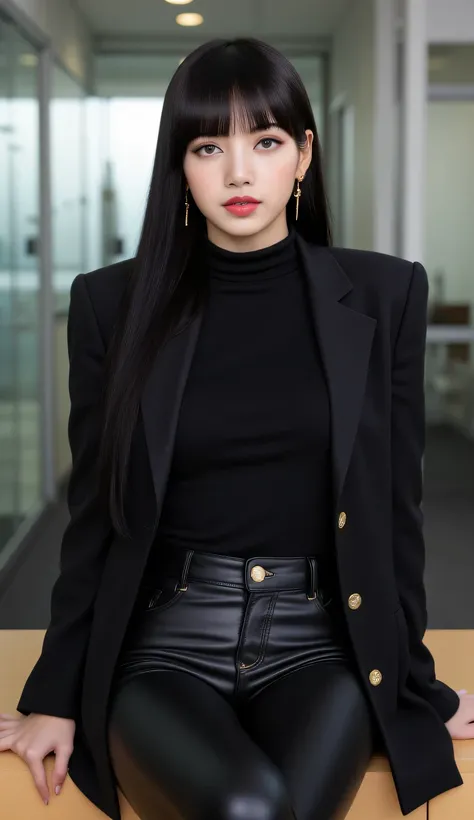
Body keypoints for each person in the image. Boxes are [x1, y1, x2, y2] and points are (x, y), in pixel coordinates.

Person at [1, 36, 473, 820]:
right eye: (208, 146)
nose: (239, 173)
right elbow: (95, 516)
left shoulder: (385, 295)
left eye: (266, 141)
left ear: (303, 155)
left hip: (322, 641)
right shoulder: (111, 307)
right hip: (164, 646)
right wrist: (55, 693)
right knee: (249, 806)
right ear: (180, 167)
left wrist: (414, 682)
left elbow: (397, 512)